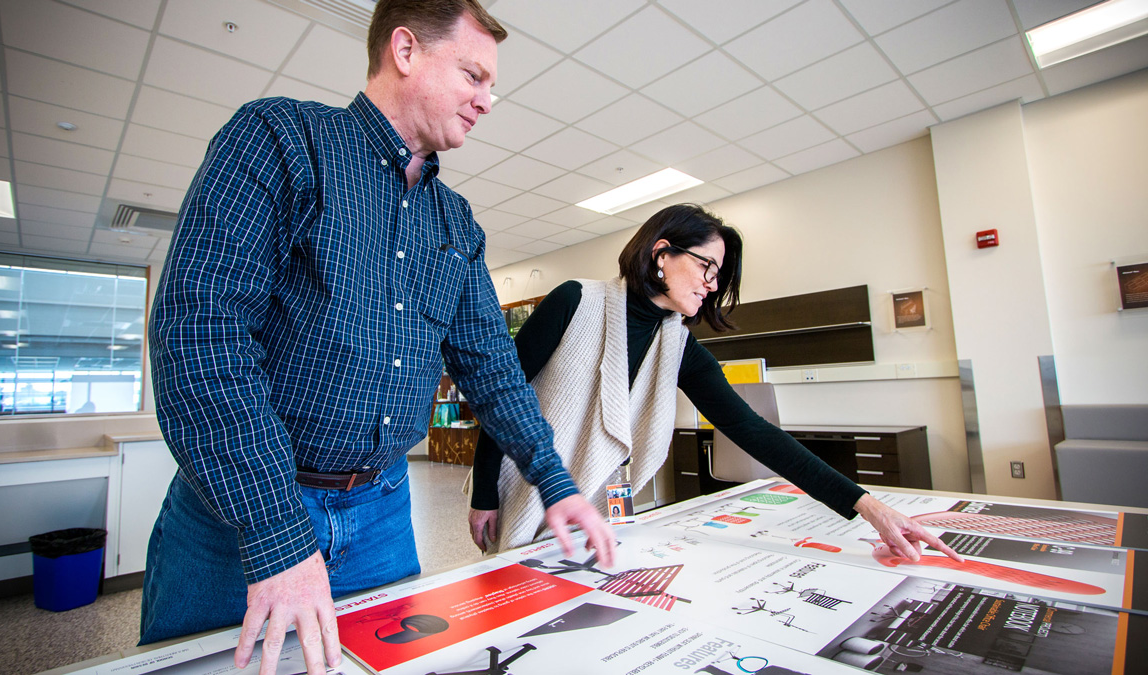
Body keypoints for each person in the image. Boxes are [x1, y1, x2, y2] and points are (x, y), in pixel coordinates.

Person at [142, 2, 614, 674]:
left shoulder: (455, 221)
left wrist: (555, 479)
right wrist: (278, 531)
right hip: (242, 511)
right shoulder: (281, 141)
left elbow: (493, 368)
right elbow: (200, 335)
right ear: (405, 49)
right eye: (475, 76)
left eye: (492, 86)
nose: (488, 101)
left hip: (382, 515)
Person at [467, 204, 964, 566]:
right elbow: (502, 398)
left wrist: (868, 507)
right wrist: (484, 493)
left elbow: (752, 430)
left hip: (598, 507)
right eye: (706, 266)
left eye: (717, 275)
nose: (711, 283)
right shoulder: (575, 301)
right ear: (662, 254)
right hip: (526, 489)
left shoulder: (678, 347)